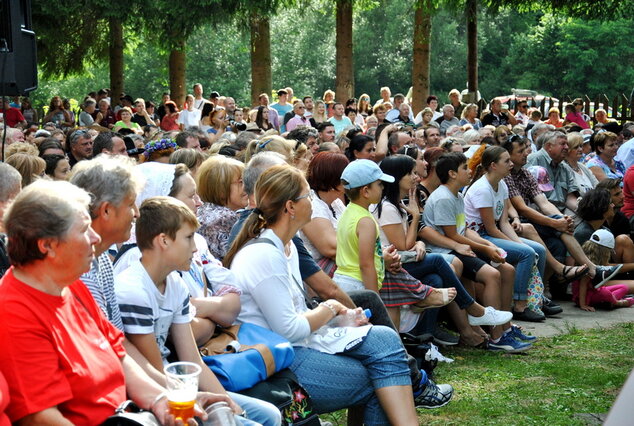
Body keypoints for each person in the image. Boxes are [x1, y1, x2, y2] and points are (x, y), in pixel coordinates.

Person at [224, 164, 450, 424]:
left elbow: (295, 316)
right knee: (382, 378)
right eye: (307, 197)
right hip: (278, 359)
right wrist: (330, 308)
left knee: (385, 339)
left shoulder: (286, 246)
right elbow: (289, 330)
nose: (312, 202)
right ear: (290, 207)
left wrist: (339, 316)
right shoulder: (263, 254)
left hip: (296, 346)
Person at [0, 181, 231, 424]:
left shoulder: (71, 285)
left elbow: (119, 354)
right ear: (47, 245)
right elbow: (40, 417)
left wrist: (161, 400)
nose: (95, 237)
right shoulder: (14, 312)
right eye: (83, 230)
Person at [424, 152, 537, 348]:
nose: (470, 171)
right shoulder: (443, 197)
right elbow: (452, 236)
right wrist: (483, 247)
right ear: (452, 173)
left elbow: (463, 229)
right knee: (492, 275)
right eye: (465, 168)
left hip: (461, 248)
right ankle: (496, 336)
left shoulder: (457, 195)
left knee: (508, 270)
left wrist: (488, 246)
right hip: (446, 252)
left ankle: (506, 327)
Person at [464, 146, 548, 321]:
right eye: (506, 161)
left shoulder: (501, 183)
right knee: (526, 253)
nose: (511, 164)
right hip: (479, 236)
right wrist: (520, 245)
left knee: (538, 249)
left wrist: (518, 241)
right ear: (493, 165)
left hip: (491, 232)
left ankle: (536, 299)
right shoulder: (483, 189)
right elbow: (490, 228)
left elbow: (503, 222)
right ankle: (520, 304)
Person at [197, 155, 247, 260]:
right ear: (221, 189)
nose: (247, 186)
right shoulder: (224, 218)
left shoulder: (205, 209)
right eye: (240, 182)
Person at [574, 229, 634, 311]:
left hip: (596, 290)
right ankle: (618, 302)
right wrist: (583, 305)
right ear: (605, 252)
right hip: (586, 296)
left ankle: (609, 301)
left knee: (624, 287)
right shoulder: (590, 267)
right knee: (606, 293)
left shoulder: (588, 257)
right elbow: (583, 284)